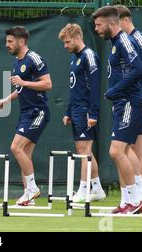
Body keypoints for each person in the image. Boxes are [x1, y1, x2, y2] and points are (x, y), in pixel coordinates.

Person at [92, 6, 142, 214]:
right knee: (121, 152)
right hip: (122, 102)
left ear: (111, 24)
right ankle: (126, 201)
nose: (96, 29)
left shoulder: (124, 41)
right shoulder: (116, 43)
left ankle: (136, 200)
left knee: (116, 151)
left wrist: (114, 90)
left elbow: (139, 69)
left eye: (99, 25)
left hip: (130, 101)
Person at [0, 26, 52, 206]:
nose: (7, 45)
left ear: (22, 41)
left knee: (16, 148)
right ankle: (29, 196)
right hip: (26, 112)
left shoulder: (34, 59)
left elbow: (47, 83)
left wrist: (23, 82)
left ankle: (33, 189)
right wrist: (7, 98)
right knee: (24, 154)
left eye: (10, 41)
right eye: (6, 41)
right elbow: (21, 89)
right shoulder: (17, 62)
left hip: (38, 112)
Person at [58, 23, 106, 203]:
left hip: (86, 110)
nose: (65, 46)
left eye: (67, 42)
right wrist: (69, 111)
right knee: (82, 149)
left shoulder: (89, 56)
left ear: (78, 37)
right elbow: (74, 87)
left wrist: (93, 113)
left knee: (84, 151)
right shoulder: (75, 57)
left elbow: (95, 88)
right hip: (76, 109)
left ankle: (83, 189)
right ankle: (98, 189)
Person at [115, 5, 142, 198]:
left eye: (115, 22)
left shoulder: (138, 39)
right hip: (126, 100)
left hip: (137, 99)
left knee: (131, 149)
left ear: (125, 20)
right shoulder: (123, 41)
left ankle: (140, 195)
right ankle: (130, 197)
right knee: (127, 148)